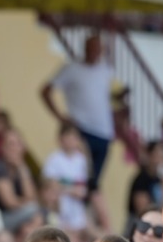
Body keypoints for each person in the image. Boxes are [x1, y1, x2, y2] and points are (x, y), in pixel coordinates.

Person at [41, 35, 114, 193]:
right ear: (85, 48)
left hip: (104, 133)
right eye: (92, 48)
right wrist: (60, 117)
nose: (96, 52)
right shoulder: (72, 69)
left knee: (94, 184)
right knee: (82, 181)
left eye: (98, 48)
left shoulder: (105, 70)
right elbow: (46, 91)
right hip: (83, 131)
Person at [42, 123, 90, 242]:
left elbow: (83, 188)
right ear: (60, 139)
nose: (70, 141)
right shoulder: (54, 159)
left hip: (77, 210)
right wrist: (72, 190)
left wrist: (68, 189)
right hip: (60, 209)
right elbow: (52, 186)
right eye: (67, 137)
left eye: (73, 137)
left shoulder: (81, 160)